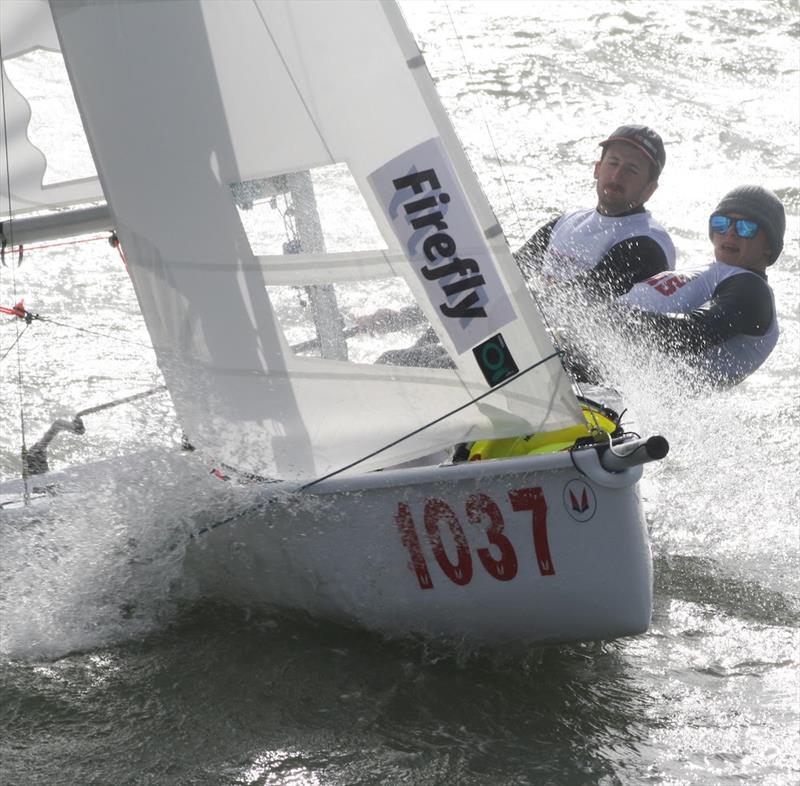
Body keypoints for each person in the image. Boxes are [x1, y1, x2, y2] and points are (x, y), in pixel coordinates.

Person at [611, 185, 784, 388]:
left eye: (746, 227)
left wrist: (615, 320)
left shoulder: (752, 292)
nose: (730, 233)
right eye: (721, 223)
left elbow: (695, 333)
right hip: (603, 364)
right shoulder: (714, 273)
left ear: (769, 246)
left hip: (615, 390)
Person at [516, 124, 676, 300]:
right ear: (597, 169)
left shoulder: (648, 245)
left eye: (631, 170)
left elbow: (581, 302)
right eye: (613, 163)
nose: (617, 175)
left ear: (649, 189)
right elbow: (509, 269)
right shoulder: (565, 223)